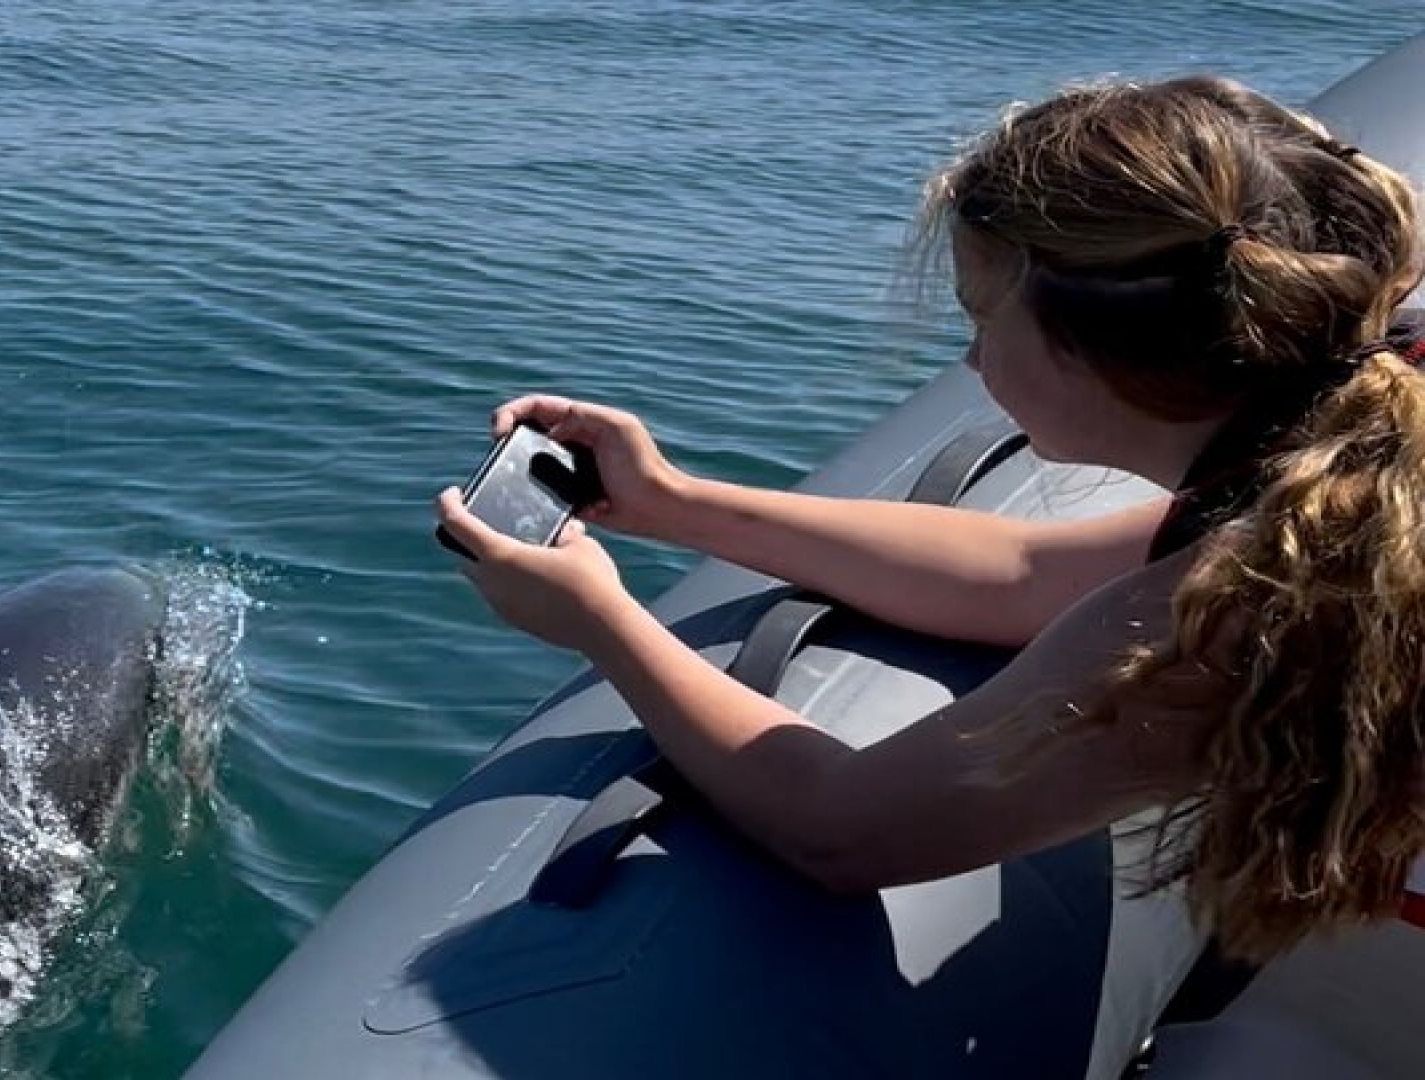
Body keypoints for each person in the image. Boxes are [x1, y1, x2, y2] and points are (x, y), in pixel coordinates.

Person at [434, 74, 1425, 1011]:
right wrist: (675, 504)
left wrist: (603, 624)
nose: (970, 355)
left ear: (1093, 354)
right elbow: (1024, 573)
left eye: (980, 314)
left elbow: (847, 828)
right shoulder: (1357, 440)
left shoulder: (1267, 592)